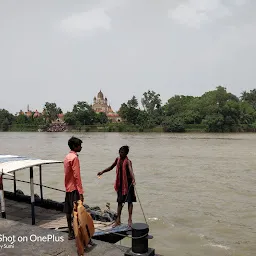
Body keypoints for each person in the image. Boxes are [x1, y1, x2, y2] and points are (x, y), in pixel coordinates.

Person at [97, 145, 136, 227]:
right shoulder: (117, 159)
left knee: (130, 202)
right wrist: (102, 171)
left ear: (126, 153)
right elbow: (111, 167)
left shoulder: (128, 161)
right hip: (120, 184)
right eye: (120, 152)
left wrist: (133, 179)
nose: (120, 154)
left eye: (122, 152)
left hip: (128, 184)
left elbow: (130, 170)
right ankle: (118, 220)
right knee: (119, 202)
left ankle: (130, 219)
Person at [63, 136, 84, 240]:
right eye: (80, 145)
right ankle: (78, 232)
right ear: (75, 147)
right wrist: (81, 191)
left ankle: (70, 232)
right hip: (74, 188)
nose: (81, 147)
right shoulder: (75, 158)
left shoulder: (67, 157)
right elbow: (77, 176)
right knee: (77, 211)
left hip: (68, 187)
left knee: (68, 210)